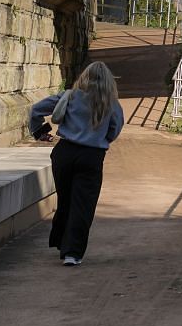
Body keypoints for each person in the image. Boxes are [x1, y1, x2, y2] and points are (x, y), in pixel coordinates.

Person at [28, 62, 125, 265]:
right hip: (92, 155)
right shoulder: (112, 104)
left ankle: (60, 242)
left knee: (66, 199)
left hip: (64, 152)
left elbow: (36, 109)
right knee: (83, 204)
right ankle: (73, 252)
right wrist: (100, 139)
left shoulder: (70, 96)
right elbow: (115, 129)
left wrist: (40, 131)